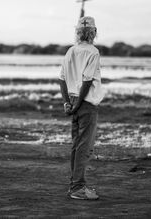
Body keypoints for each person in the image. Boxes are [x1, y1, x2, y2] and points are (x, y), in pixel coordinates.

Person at [58, 16, 105, 200]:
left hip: (74, 100)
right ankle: (78, 188)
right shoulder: (93, 52)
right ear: (93, 32)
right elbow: (87, 80)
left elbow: (62, 79)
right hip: (86, 103)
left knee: (77, 145)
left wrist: (67, 102)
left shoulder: (71, 51)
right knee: (84, 146)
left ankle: (75, 185)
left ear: (78, 33)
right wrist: (77, 105)